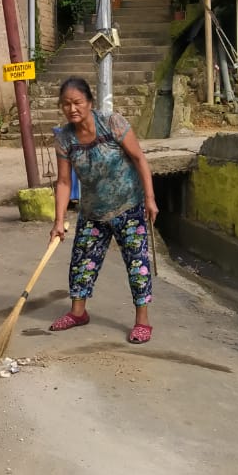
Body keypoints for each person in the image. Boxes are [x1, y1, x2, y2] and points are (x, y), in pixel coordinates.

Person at [49, 76, 159, 344]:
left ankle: (142, 321)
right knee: (82, 263)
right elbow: (64, 182)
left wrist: (150, 198)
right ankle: (78, 313)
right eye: (66, 104)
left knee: (137, 265)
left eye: (76, 102)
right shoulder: (64, 139)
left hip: (128, 205)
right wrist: (59, 220)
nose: (71, 109)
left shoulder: (112, 123)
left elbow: (139, 159)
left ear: (89, 102)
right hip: (92, 212)